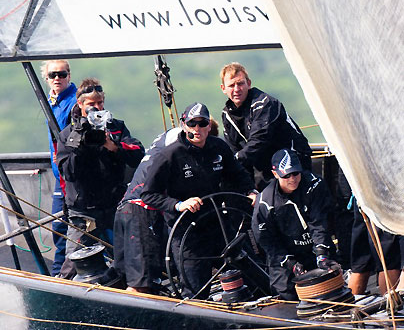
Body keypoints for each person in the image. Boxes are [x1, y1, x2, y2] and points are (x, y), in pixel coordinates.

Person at [141, 102, 257, 298]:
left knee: (251, 274)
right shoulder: (169, 155)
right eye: (192, 124)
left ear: (209, 126)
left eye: (202, 123)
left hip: (218, 223)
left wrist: (250, 191)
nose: (197, 129)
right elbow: (148, 195)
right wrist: (178, 205)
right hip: (187, 232)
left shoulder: (219, 147)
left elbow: (238, 174)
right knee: (196, 292)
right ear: (184, 124)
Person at [114, 118, 220, 294]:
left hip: (126, 209)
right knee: (141, 286)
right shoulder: (178, 143)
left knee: (126, 279)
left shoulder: (166, 138)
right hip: (142, 212)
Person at [56, 78, 144, 279]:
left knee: (129, 255)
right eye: (91, 104)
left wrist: (114, 147)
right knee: (74, 262)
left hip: (115, 204)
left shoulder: (116, 127)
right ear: (80, 105)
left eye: (100, 103)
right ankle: (64, 293)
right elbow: (67, 172)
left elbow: (139, 153)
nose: (96, 108)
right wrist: (80, 145)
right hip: (84, 211)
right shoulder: (67, 135)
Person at [252, 149, 338, 300]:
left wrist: (322, 254)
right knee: (287, 297)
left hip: (313, 249)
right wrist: (289, 262)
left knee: (330, 288)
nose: (292, 179)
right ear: (275, 174)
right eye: (286, 175)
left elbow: (320, 222)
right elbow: (266, 239)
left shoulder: (315, 185)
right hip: (284, 256)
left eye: (296, 173)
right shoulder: (265, 202)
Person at [220, 62, 312, 190]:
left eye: (240, 83)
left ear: (249, 83)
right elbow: (234, 149)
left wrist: (232, 161)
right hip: (263, 165)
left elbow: (258, 141)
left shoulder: (264, 103)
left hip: (293, 162)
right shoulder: (227, 114)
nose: (236, 89)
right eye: (231, 85)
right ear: (223, 88)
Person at [41, 60, 78, 276]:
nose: (57, 78)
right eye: (53, 75)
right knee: (59, 226)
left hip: (72, 175)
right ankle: (59, 273)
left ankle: (63, 273)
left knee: (72, 227)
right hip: (59, 175)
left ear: (69, 76)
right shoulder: (51, 101)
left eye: (62, 74)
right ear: (46, 79)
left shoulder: (74, 103)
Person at [348, 198, 401, 295]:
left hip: (360, 194)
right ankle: (393, 306)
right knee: (388, 260)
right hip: (380, 196)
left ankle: (349, 306)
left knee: (362, 263)